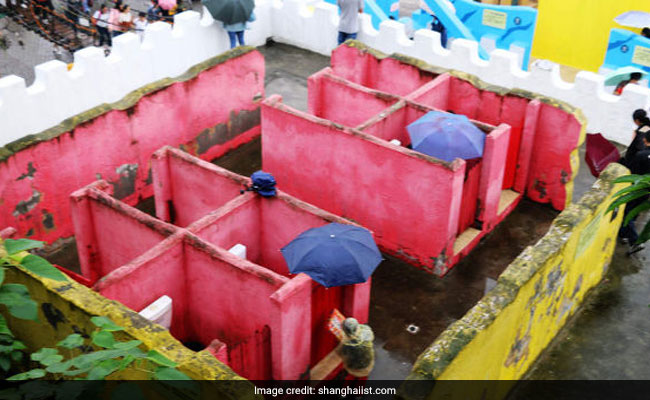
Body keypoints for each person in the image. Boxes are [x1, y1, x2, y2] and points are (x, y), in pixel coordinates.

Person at [618, 130, 650, 255]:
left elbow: (632, 171)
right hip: (647, 191)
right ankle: (623, 234)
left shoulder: (641, 155)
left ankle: (635, 241)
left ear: (646, 140)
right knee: (635, 210)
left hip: (636, 189)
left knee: (627, 212)